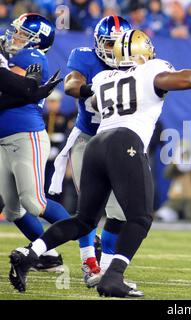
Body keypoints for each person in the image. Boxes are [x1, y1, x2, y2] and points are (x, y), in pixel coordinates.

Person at [9, 29, 191, 298]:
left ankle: (30, 252)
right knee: (140, 217)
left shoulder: (103, 77)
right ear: (144, 52)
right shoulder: (152, 68)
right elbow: (188, 80)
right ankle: (113, 277)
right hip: (125, 141)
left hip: (97, 144)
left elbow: (92, 98)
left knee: (85, 220)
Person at [47, 15, 134, 288]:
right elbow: (71, 84)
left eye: (119, 43)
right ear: (97, 42)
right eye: (109, 43)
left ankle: (108, 269)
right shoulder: (83, 56)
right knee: (89, 208)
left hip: (117, 141)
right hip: (87, 138)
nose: (113, 50)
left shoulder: (137, 64)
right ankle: (90, 264)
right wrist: (92, 89)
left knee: (121, 212)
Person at [0, 13, 69, 272]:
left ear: (36, 41)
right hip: (5, 138)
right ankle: (48, 255)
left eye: (21, 34)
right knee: (12, 209)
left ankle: (87, 238)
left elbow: (9, 90)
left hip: (24, 133)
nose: (14, 36)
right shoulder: (11, 57)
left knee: (35, 202)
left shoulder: (32, 57)